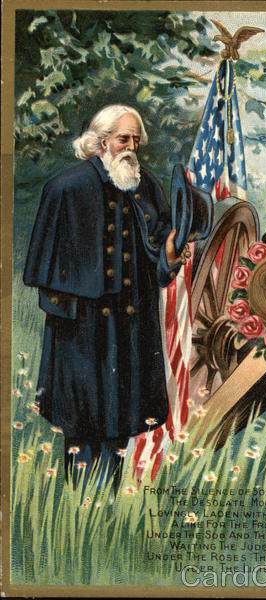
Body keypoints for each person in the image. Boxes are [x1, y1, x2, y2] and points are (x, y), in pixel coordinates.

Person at [24, 104, 190, 490]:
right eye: (123, 139)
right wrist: (72, 309)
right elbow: (42, 267)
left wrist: (168, 253)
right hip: (82, 329)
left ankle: (107, 504)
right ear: (101, 142)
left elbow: (160, 249)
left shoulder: (145, 184)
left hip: (131, 326)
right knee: (81, 421)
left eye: (136, 140)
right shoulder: (65, 188)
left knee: (122, 417)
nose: (131, 146)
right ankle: (80, 502)